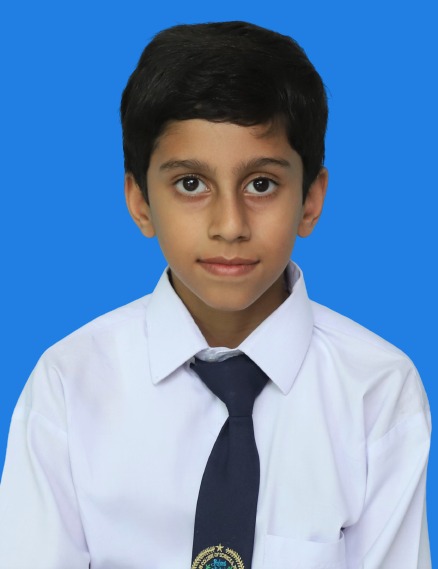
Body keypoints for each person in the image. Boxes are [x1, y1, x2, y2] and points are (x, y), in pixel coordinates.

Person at [0, 21, 431, 569]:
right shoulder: (69, 384)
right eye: (190, 184)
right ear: (139, 202)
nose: (230, 225)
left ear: (310, 200)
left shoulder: (378, 391)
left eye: (261, 184)